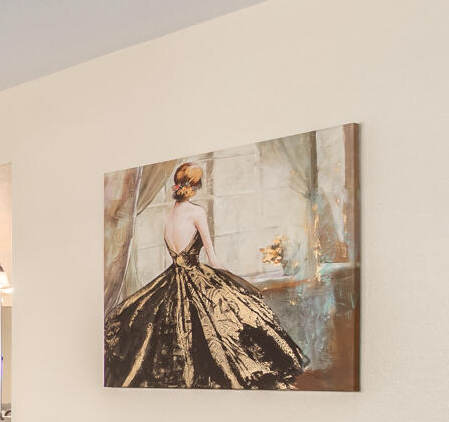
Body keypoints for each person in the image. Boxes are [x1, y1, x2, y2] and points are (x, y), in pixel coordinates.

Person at [104, 162, 306, 388]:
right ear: (195, 186)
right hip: (194, 276)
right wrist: (232, 277)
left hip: (171, 279)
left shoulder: (169, 216)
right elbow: (213, 258)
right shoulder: (197, 212)